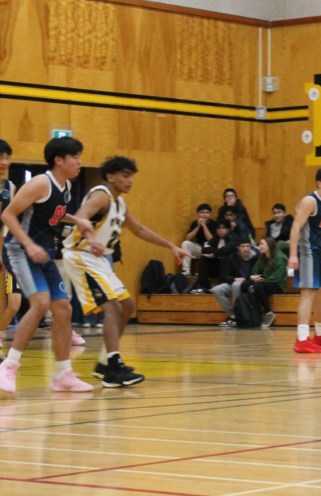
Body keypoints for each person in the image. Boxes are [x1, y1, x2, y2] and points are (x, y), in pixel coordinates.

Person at [63, 156, 188, 387]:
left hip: (97, 259)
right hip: (81, 256)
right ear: (111, 176)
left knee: (128, 306)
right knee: (113, 306)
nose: (130, 180)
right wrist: (91, 238)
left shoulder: (119, 203)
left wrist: (171, 246)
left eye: (131, 176)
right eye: (125, 175)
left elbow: (139, 230)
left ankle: (104, 363)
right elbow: (81, 215)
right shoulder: (102, 194)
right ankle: (113, 367)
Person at [0, 137, 94, 393]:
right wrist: (29, 244)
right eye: (75, 157)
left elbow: (56, 214)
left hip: (43, 254)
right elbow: (7, 214)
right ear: (59, 160)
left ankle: (63, 374)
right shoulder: (40, 183)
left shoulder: (65, 188)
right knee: (40, 303)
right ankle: (8, 366)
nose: (80, 161)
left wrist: (78, 222)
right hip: (19, 250)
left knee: (62, 308)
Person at [287, 167, 321, 353]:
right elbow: (295, 227)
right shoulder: (310, 201)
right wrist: (293, 254)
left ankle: (320, 335)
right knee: (308, 293)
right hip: (307, 251)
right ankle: (301, 339)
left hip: (319, 252)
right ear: (319, 182)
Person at [0, 140, 20, 361]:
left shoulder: (10, 187)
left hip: (7, 249)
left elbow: (10, 219)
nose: (4, 162)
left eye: (7, 157)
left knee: (14, 303)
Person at [211, 239, 259, 327]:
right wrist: (235, 279)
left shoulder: (256, 257)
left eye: (248, 246)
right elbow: (226, 276)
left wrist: (245, 279)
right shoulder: (232, 258)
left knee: (236, 285)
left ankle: (238, 315)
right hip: (236, 282)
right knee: (216, 290)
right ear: (238, 248)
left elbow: (256, 275)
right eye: (243, 246)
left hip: (249, 284)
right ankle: (232, 315)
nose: (246, 249)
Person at [248, 237, 288, 327]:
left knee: (257, 286)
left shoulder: (280, 257)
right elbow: (255, 270)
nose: (260, 246)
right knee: (247, 285)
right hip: (266, 283)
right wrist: (254, 276)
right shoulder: (263, 256)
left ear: (269, 246)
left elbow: (276, 278)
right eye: (259, 244)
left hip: (278, 285)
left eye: (262, 244)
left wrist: (261, 280)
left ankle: (269, 312)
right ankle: (253, 316)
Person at [180, 203, 214, 275]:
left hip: (211, 250)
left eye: (207, 213)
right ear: (198, 214)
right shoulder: (195, 223)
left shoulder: (214, 224)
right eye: (202, 212)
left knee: (209, 248)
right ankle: (186, 270)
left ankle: (201, 272)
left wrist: (204, 226)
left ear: (210, 214)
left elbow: (212, 240)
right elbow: (188, 238)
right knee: (185, 243)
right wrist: (198, 226)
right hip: (199, 248)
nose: (204, 215)